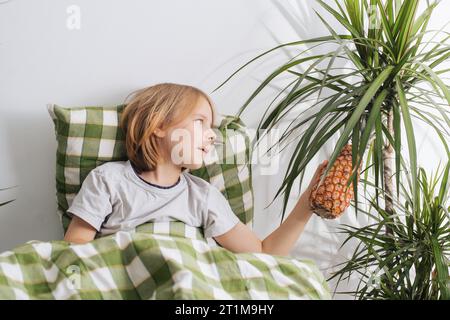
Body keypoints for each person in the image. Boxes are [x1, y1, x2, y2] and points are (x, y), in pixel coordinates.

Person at [63, 83, 327, 256]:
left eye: (212, 128)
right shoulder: (109, 180)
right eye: (200, 122)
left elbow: (263, 254)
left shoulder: (203, 195)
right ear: (159, 125)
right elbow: (75, 249)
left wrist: (306, 204)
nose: (212, 136)